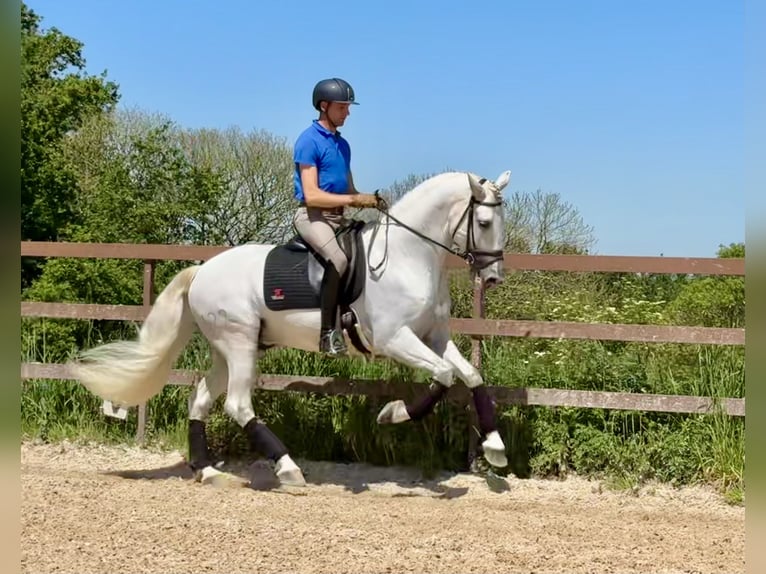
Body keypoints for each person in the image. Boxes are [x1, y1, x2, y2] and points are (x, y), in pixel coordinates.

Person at [292, 78, 379, 356]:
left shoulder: (344, 146)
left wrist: (372, 201)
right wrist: (355, 199)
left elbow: (350, 190)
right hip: (312, 216)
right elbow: (312, 195)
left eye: (348, 107)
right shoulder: (308, 141)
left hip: (339, 218)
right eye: (342, 107)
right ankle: (327, 334)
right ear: (324, 106)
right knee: (339, 260)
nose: (347, 113)